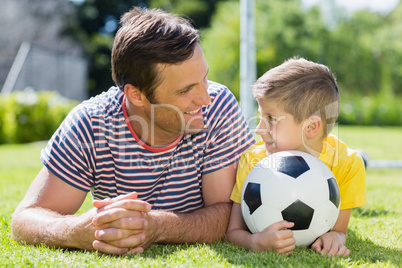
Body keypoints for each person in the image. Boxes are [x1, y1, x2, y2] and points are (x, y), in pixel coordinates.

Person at [11, 7, 255, 256]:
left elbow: (228, 214)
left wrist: (157, 226)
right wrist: (77, 230)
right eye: (185, 90)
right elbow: (24, 219)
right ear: (136, 95)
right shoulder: (91, 123)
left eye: (204, 78)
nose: (205, 98)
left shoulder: (219, 105)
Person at [226, 58, 366, 256]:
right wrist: (253, 241)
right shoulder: (252, 161)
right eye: (260, 117)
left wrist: (335, 237)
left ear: (311, 127)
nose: (259, 129)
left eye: (271, 119)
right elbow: (233, 232)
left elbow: (338, 230)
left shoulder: (347, 164)